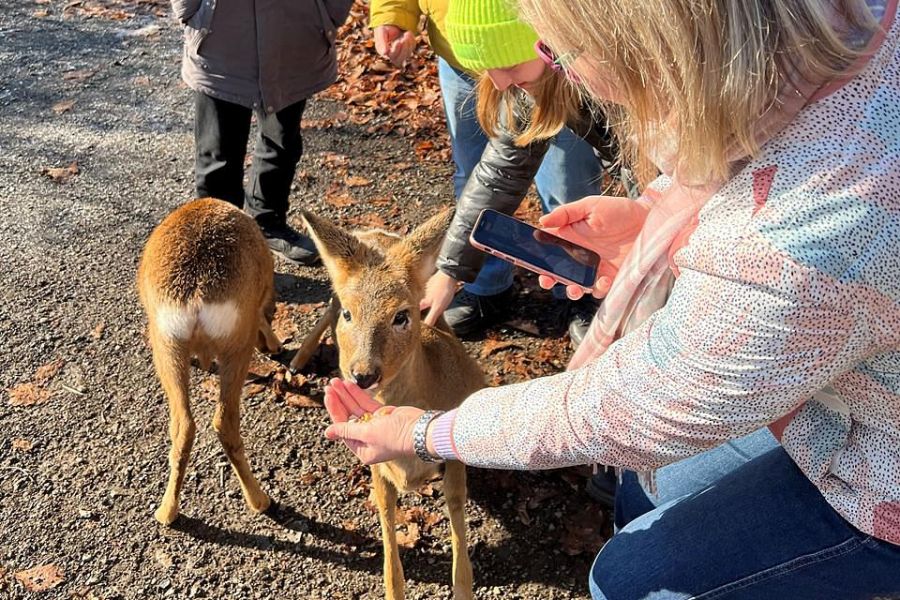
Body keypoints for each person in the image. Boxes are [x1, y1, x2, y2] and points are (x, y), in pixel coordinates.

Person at [323, 0, 900, 597]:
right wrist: (656, 219)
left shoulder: (800, 235)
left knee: (627, 582)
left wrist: (429, 433)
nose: (561, 76)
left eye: (558, 52)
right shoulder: (835, 33)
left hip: (883, 471)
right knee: (644, 487)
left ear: (646, 39)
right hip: (842, 387)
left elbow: (634, 405)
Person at [369, 0, 615, 342]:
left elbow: (661, 169)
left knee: (570, 191)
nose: (499, 84)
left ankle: (586, 299)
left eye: (509, 65)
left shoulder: (619, 76)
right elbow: (500, 174)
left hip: (693, 201)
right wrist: (450, 271)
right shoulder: (532, 81)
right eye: (488, 70)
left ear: (552, 39)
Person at [173, 0, 353, 265]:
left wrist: (329, 11)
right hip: (221, 39)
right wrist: (190, 10)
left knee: (282, 142)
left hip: (294, 37)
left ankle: (268, 223)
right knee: (218, 155)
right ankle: (219, 247)